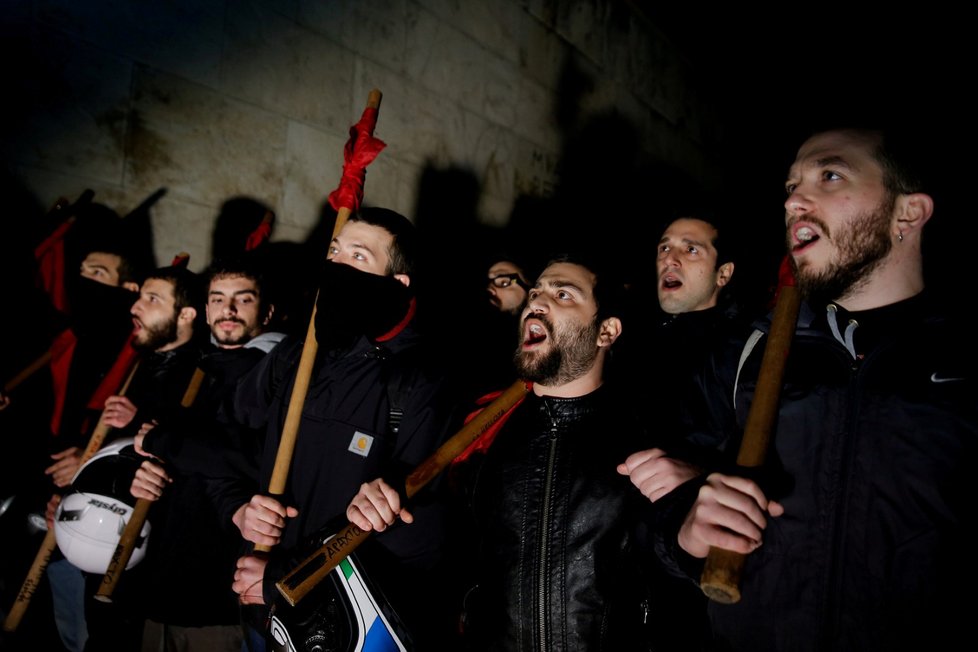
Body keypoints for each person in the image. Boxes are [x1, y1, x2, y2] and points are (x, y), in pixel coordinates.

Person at [651, 126, 976, 651]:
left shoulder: (970, 363)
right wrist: (686, 529)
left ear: (908, 213)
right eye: (790, 187)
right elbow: (667, 516)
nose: (795, 201)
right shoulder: (743, 355)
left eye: (829, 176)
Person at [348, 252, 661, 650]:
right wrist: (382, 508)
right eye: (535, 292)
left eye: (563, 294)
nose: (537, 302)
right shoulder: (482, 429)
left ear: (607, 331)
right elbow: (440, 547)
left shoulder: (645, 436)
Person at [224, 208, 461, 648]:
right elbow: (234, 444)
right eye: (334, 251)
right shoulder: (299, 354)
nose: (337, 266)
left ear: (399, 284)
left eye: (359, 256)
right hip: (256, 611)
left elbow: (416, 535)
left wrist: (282, 577)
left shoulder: (422, 381)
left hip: (338, 628)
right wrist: (238, 506)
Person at [127, 256, 285, 651]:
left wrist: (165, 443)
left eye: (242, 300)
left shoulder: (278, 371)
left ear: (266, 311)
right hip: (161, 581)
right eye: (218, 299)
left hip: (220, 595)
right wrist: (142, 470)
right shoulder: (199, 364)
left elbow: (250, 458)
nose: (228, 310)